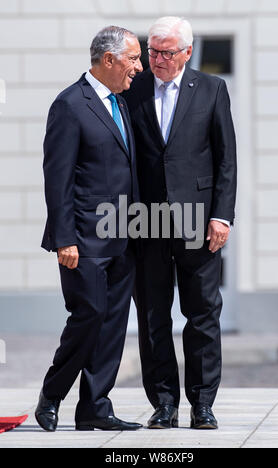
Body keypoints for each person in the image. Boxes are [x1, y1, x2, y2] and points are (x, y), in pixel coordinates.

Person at [123, 16, 237, 430]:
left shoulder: (212, 89)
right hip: (145, 220)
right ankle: (164, 404)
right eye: (152, 51)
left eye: (166, 52)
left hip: (200, 220)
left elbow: (226, 158)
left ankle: (202, 405)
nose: (157, 60)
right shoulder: (131, 90)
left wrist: (222, 215)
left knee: (203, 313)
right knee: (153, 315)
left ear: (187, 52)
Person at [35, 26, 143, 432]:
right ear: (109, 59)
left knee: (113, 322)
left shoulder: (122, 103)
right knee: (90, 314)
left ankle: (95, 406)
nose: (140, 66)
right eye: (133, 58)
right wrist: (64, 238)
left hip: (124, 236)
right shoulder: (70, 105)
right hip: (83, 239)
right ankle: (52, 393)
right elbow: (57, 178)